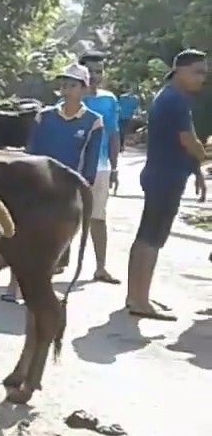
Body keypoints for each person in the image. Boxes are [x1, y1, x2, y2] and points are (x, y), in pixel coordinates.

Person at [3, 63, 104, 303]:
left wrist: (85, 190)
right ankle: (13, 286)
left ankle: (39, 288)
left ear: (84, 89)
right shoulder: (45, 116)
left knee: (52, 241)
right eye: (64, 84)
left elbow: (90, 162)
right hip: (37, 184)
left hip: (66, 189)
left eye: (73, 85)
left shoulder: (94, 121)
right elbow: (32, 150)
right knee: (24, 235)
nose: (67, 89)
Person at [125, 49, 208, 321]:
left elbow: (188, 139)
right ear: (179, 70)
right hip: (165, 177)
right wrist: (205, 155)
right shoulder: (174, 100)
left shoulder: (173, 97)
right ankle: (140, 301)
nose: (202, 78)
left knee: (148, 235)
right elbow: (188, 141)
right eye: (198, 71)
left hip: (163, 174)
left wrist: (197, 168)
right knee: (152, 238)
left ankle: (136, 296)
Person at [79, 51, 123, 284]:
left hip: (101, 167)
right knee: (66, 216)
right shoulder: (69, 100)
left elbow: (114, 134)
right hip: (74, 167)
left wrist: (115, 168)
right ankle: (56, 264)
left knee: (98, 217)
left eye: (99, 71)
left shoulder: (109, 100)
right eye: (90, 71)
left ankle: (101, 267)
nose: (95, 76)